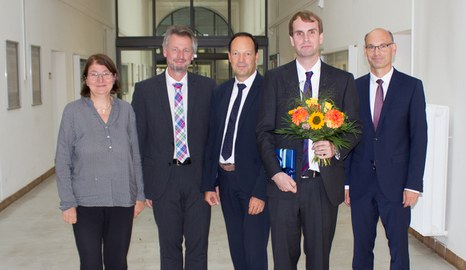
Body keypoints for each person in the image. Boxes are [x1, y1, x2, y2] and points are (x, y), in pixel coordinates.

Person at [256, 10, 360, 270]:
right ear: (291, 39)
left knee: (319, 261)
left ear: (321, 37)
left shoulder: (343, 80)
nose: (305, 39)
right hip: (284, 186)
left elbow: (355, 129)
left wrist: (336, 146)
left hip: (322, 189)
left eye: (311, 32)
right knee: (283, 261)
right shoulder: (275, 79)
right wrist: (275, 173)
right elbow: (264, 132)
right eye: (299, 33)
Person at [131, 25, 216, 270]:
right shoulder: (145, 91)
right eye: (175, 49)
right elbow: (138, 140)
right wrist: (142, 186)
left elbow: (213, 138)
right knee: (169, 248)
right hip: (162, 182)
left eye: (186, 50)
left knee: (198, 248)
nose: (180, 55)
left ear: (193, 55)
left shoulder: (208, 87)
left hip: (198, 181)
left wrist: (213, 180)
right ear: (164, 51)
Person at [344, 28, 427, 270]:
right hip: (361, 184)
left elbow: (419, 138)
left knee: (399, 249)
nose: (377, 52)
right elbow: (347, 137)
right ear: (365, 51)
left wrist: (414, 184)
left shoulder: (411, 87)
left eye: (382, 46)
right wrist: (347, 182)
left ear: (393, 48)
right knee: (361, 248)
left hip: (397, 184)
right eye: (371, 47)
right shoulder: (354, 88)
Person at [55, 53, 145, 270]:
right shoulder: (73, 112)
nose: (100, 79)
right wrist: (68, 202)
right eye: (94, 74)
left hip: (122, 201)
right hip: (86, 203)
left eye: (105, 73)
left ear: (114, 77)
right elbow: (62, 159)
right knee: (90, 263)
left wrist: (140, 194)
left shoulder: (126, 110)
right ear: (85, 79)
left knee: (117, 262)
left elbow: (135, 155)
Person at [201, 32, 269, 270]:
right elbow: (213, 140)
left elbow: (274, 143)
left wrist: (261, 191)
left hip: (254, 184)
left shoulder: (268, 91)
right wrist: (210, 182)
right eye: (237, 53)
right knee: (237, 250)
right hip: (226, 183)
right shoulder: (220, 92)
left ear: (256, 57)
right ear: (229, 57)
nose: (242, 59)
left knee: (255, 252)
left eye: (247, 53)